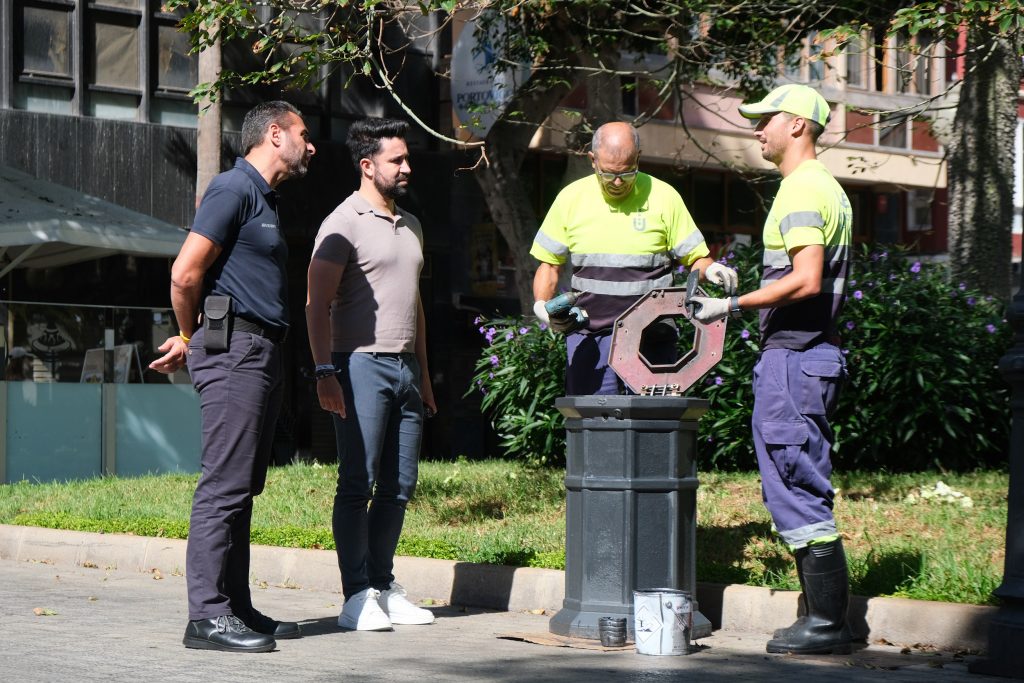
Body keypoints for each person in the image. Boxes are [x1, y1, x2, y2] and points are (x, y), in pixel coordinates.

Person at [691, 83, 854, 655]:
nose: (757, 130)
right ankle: (831, 616)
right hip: (811, 355)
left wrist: (733, 305)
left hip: (795, 356)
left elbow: (807, 279)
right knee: (804, 480)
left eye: (767, 120)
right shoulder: (823, 188)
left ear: (798, 126)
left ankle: (827, 624)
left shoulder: (803, 189)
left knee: (792, 483)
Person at [149, 101, 315, 653]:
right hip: (235, 349)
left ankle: (235, 606)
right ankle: (206, 616)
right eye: (302, 134)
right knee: (223, 484)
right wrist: (191, 336)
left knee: (243, 485)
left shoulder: (262, 198)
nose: (310, 145)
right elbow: (184, 272)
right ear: (274, 134)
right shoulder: (232, 188)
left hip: (260, 350)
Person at [306, 117, 437, 631]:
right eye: (396, 160)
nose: (407, 167)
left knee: (400, 484)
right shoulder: (343, 222)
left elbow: (416, 304)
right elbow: (316, 303)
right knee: (356, 482)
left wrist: (423, 373)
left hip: (405, 368)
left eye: (407, 159)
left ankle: (382, 585)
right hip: (358, 364)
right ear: (367, 166)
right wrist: (323, 371)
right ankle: (356, 594)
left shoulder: (412, 224)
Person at [529, 121, 737, 395]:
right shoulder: (571, 199)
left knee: (652, 430)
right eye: (609, 174)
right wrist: (542, 307)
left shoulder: (664, 197)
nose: (617, 183)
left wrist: (710, 271)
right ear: (593, 161)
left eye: (627, 174)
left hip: (652, 340)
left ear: (638, 158)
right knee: (595, 428)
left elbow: (697, 258)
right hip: (591, 338)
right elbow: (549, 264)